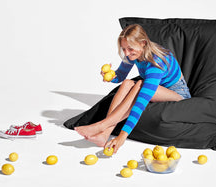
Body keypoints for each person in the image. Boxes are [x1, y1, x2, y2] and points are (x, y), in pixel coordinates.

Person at [75, 24, 191, 154]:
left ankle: (103, 125)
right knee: (127, 83)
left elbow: (142, 101)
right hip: (158, 88)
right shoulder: (132, 54)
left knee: (140, 84)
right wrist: (110, 77)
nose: (126, 53)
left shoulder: (156, 62)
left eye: (129, 49)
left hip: (178, 94)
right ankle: (105, 133)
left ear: (143, 43)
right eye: (123, 49)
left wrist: (122, 136)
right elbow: (120, 76)